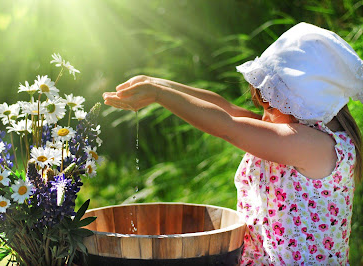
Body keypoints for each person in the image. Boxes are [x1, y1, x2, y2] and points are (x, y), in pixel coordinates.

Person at [103, 22, 362, 265]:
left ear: (302, 102)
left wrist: (160, 95)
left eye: (272, 106)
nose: (264, 116)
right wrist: (158, 84)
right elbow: (226, 108)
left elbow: (228, 126)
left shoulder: (314, 145)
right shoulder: (295, 132)